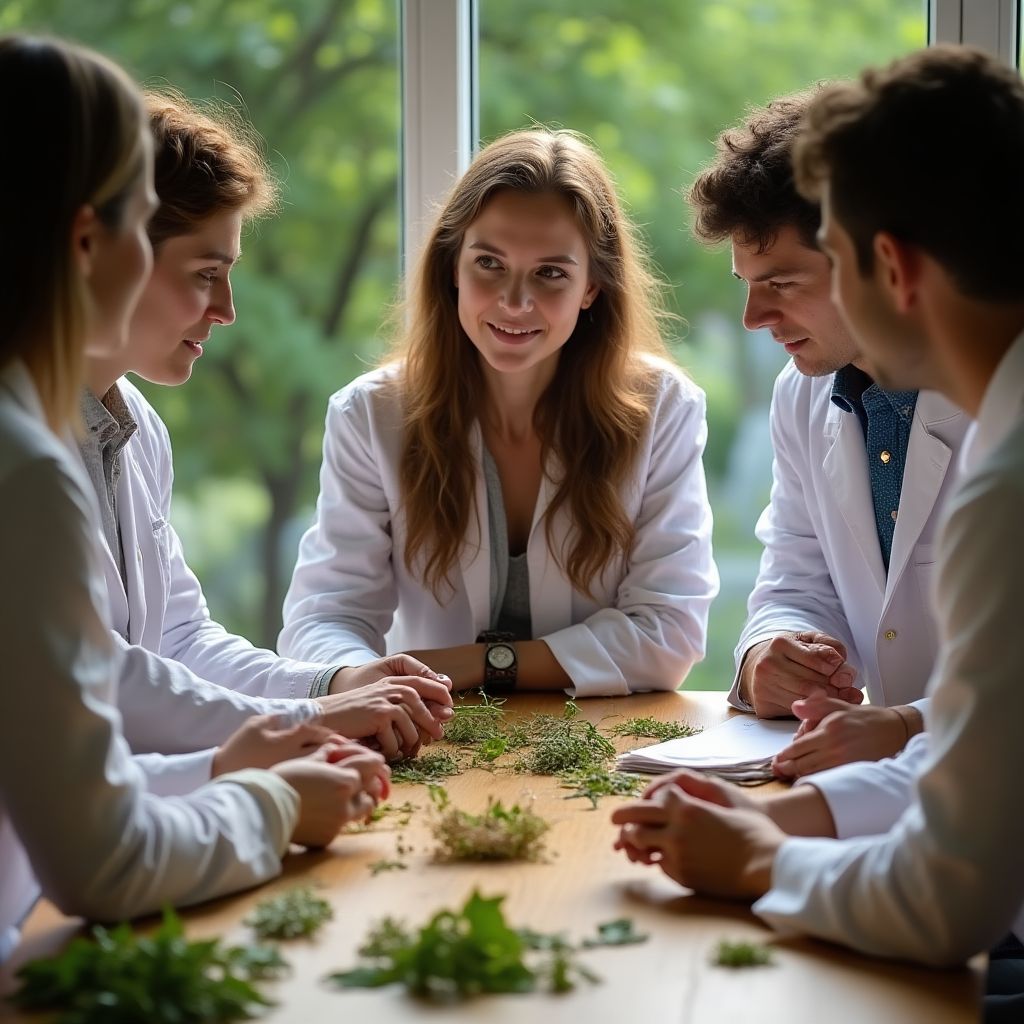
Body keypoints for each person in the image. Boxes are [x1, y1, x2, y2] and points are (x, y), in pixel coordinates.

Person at [611, 47, 1024, 1006]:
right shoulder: (856, 403)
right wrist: (797, 813)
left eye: (823, 256)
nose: (757, 319)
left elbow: (942, 898)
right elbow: (982, 748)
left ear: (891, 264)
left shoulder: (1005, 483)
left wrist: (763, 859)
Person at [0, 33, 385, 963]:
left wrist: (250, 745)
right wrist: (278, 792)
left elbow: (153, 652)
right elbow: (103, 855)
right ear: (89, 239)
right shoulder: (23, 470)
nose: (227, 311)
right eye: (146, 232)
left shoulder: (111, 433)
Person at [78, 91, 454, 772]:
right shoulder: (22, 441)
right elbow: (99, 677)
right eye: (205, 275)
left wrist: (336, 684)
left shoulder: (136, 424)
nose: (226, 310)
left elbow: (179, 639)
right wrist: (310, 720)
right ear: (105, 254)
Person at [279, 128, 718, 696]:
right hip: (429, 733)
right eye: (489, 263)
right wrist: (367, 681)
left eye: (551, 272)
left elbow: (668, 634)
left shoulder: (663, 409)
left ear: (592, 287)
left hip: (607, 746)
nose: (514, 301)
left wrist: (471, 665)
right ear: (451, 267)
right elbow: (322, 619)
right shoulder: (370, 415)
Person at [686, 91, 969, 776]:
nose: (755, 317)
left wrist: (904, 729)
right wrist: (771, 654)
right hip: (900, 792)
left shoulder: (997, 393)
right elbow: (796, 572)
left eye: (781, 281)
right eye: (747, 283)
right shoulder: (805, 392)